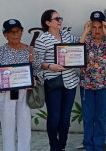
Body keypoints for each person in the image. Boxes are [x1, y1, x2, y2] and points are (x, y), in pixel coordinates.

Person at [34, 9, 86, 151]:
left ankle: (62, 146)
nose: (60, 21)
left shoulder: (66, 35)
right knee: (54, 117)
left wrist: (86, 30)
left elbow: (79, 46)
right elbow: (36, 63)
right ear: (48, 22)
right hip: (53, 81)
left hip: (70, 81)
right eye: (57, 19)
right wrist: (51, 66)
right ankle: (54, 147)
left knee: (65, 118)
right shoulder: (42, 39)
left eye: (60, 18)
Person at [0, 19, 42, 151]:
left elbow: (38, 70)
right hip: (6, 94)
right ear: (5, 34)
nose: (15, 34)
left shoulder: (30, 51)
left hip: (24, 93)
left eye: (18, 31)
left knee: (24, 127)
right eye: (11, 32)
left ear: (22, 32)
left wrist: (34, 78)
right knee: (7, 127)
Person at [78, 11, 106, 151]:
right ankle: (89, 146)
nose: (97, 30)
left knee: (100, 118)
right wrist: (85, 32)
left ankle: (98, 146)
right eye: (93, 27)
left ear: (105, 27)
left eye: (100, 27)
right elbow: (75, 53)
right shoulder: (86, 41)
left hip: (104, 85)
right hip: (86, 86)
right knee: (88, 118)